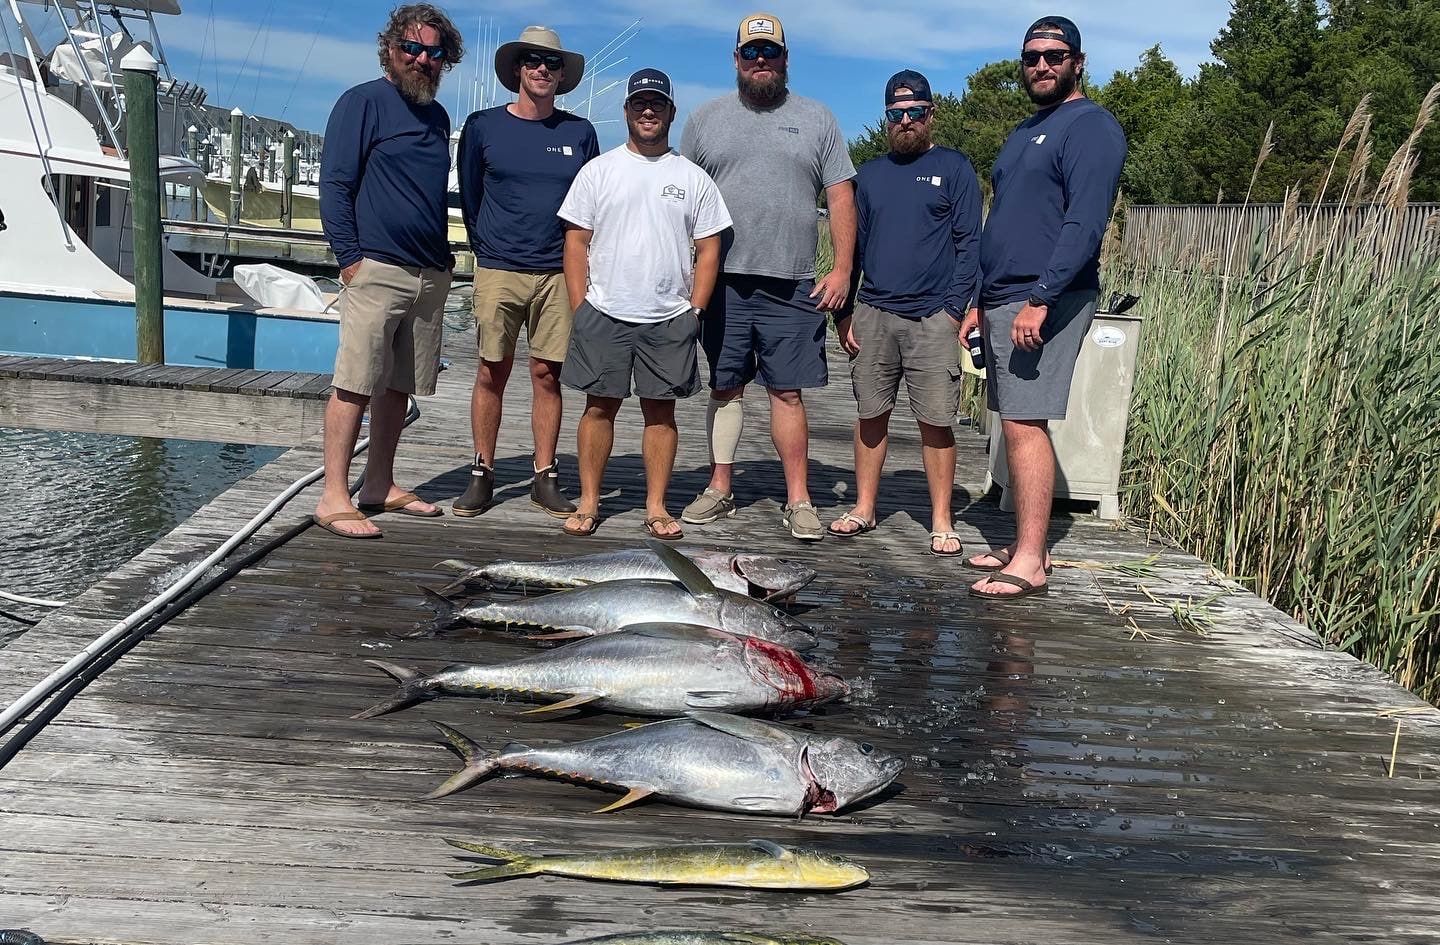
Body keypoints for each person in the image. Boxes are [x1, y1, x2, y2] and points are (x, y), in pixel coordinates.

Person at [958, 15, 1127, 599]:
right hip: (1002, 297)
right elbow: (1002, 222)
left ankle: (1031, 559)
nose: (1043, 65)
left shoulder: (1090, 127)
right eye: (1032, 56)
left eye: (1055, 55)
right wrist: (979, 300)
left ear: (1078, 61)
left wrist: (1040, 298)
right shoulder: (1026, 131)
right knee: (1015, 422)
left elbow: (1084, 223)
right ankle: (1022, 543)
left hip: (1045, 297)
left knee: (1027, 422)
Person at [679, 12, 856, 542]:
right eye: (751, 52)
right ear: (736, 59)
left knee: (788, 393)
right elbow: (681, 198)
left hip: (793, 281)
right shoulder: (705, 119)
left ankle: (799, 498)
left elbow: (841, 193)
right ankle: (719, 486)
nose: (761, 61)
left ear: (785, 59)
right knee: (725, 387)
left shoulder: (818, 119)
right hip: (723, 281)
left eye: (770, 53)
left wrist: (844, 268)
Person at [555, 69, 732, 539]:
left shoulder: (692, 178)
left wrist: (694, 309)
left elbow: (709, 248)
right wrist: (580, 306)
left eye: (657, 104)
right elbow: (576, 242)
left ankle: (656, 506)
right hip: (604, 312)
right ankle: (589, 502)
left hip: (669, 317)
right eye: (639, 104)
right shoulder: (599, 171)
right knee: (598, 409)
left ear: (671, 111)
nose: (648, 111)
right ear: (628, 111)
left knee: (661, 413)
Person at [312, 3, 463, 538]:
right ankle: (333, 496)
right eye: (412, 48)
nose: (422, 59)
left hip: (427, 271)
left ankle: (378, 484)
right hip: (375, 267)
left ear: (446, 59)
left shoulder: (437, 116)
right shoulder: (362, 102)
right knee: (355, 382)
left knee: (399, 386)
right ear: (391, 50)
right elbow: (335, 185)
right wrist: (349, 259)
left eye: (433, 52)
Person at [831, 70, 981, 556]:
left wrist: (955, 311)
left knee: (936, 420)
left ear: (931, 115)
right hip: (874, 312)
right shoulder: (869, 175)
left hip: (933, 318)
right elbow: (853, 249)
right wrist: (845, 312)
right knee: (871, 413)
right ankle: (864, 507)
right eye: (896, 114)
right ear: (887, 118)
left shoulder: (955, 169)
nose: (906, 121)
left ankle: (941, 519)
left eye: (915, 112)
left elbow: (969, 246)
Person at [453, 26, 599, 518]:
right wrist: (488, 248)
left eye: (552, 63)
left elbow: (591, 206)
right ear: (517, 68)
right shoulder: (482, 126)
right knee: (491, 370)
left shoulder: (580, 133)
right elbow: (471, 198)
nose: (542, 69)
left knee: (547, 374)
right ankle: (482, 472)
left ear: (562, 75)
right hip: (498, 269)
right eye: (533, 60)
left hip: (558, 272)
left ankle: (544, 475)